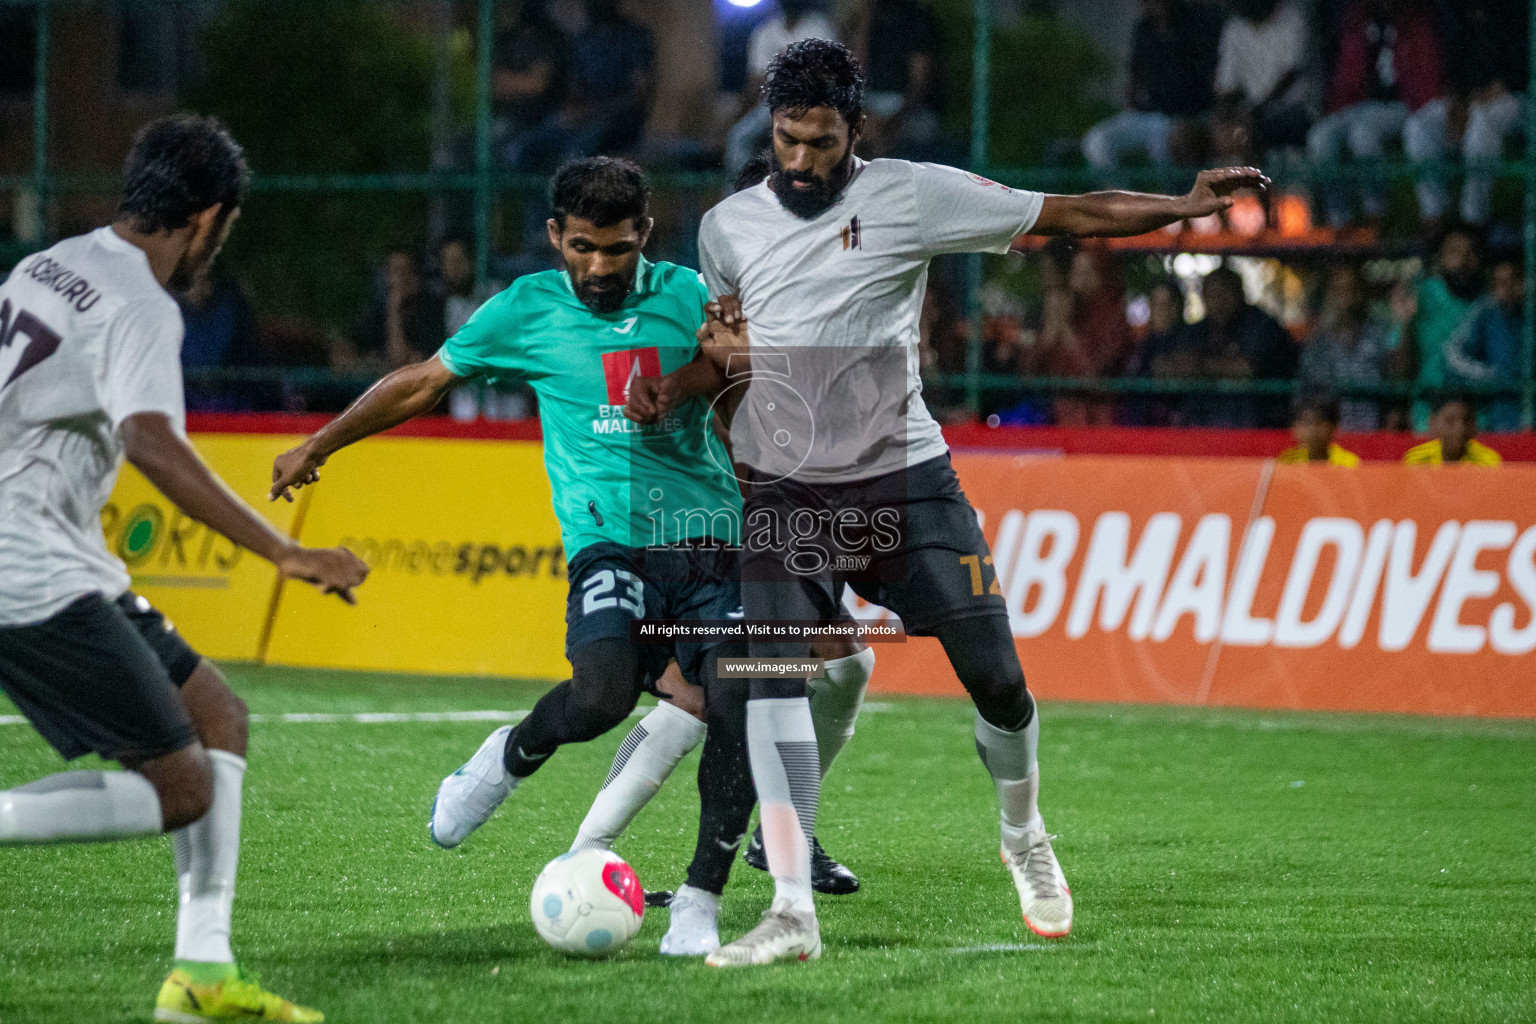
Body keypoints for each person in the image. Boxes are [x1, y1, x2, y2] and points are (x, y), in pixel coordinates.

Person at [649, 38, 1267, 965]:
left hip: (906, 481)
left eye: (821, 141)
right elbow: (732, 355)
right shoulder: (726, 227)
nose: (803, 161)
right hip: (789, 492)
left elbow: (1071, 214)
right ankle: (787, 909)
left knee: (1000, 681)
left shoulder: (910, 193)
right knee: (771, 679)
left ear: (856, 130)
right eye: (788, 140)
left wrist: (1179, 207)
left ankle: (1024, 835)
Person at [268, 158, 872, 957]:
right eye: (582, 247)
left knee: (740, 699)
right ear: (555, 236)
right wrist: (322, 442)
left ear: (645, 237)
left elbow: (760, 374)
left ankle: (698, 900)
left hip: (710, 542)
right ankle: (505, 760)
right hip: (608, 544)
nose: (597, 266)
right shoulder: (526, 308)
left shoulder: (691, 296)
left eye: (616, 250)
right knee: (600, 697)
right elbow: (421, 383)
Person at [0, 113, 369, 1024]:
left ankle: (201, 972)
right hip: (30, 571)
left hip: (57, 551)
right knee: (183, 786)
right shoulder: (138, 304)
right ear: (208, 220)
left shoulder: (45, 264)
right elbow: (153, 442)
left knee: (219, 718)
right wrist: (282, 549)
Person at [1307, 0, 1444, 226]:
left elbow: (1425, 77)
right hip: (1359, 106)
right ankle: (1339, 219)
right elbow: (1348, 76)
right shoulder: (1357, 21)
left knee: (1364, 133)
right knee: (1319, 137)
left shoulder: (1415, 20)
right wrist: (1335, 105)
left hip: (1402, 105)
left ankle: (1375, 213)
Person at [1408, 0, 1528, 226]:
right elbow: (1454, 71)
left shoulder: (1517, 10)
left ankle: (1473, 219)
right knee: (1420, 124)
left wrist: (1480, 100)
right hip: (1473, 99)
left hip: (1517, 99)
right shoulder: (1457, 13)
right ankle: (1434, 215)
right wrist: (1456, 102)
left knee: (1482, 122)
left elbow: (1518, 71)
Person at [1081, 0, 1221, 172]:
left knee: (1167, 146)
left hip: (1184, 116)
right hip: (1147, 115)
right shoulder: (1144, 29)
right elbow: (1135, 76)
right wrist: (1131, 103)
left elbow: (1209, 79)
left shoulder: (1196, 25)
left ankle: (1167, 197)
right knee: (1096, 140)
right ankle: (1120, 195)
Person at [725, 0, 840, 176]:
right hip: (772, 106)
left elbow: (827, 76)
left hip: (812, 105)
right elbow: (756, 81)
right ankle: (739, 194)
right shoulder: (766, 31)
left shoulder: (819, 28)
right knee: (739, 137)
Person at [1024, 243, 1133, 425]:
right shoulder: (1068, 308)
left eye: (1085, 273)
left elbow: (1095, 375)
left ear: (1101, 276)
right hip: (1058, 416)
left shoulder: (1113, 318)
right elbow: (1028, 376)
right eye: (1075, 272)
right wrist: (1049, 332)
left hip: (1099, 418)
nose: (1076, 281)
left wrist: (1067, 331)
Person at [1390, 224, 1484, 428]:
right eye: (1454, 252)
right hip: (1428, 419)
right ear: (1440, 258)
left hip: (1480, 420)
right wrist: (1405, 324)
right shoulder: (1421, 296)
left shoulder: (1489, 303)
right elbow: (1399, 371)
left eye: (1471, 252)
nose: (1463, 260)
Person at [1191, 266, 1298, 428]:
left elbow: (1246, 369)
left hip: (1260, 426)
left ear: (1240, 294)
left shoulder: (1263, 326)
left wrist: (1199, 365)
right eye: (1211, 296)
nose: (1218, 302)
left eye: (1224, 294)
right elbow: (1167, 365)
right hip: (1204, 428)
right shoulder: (1200, 329)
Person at [1210, 0, 1314, 163]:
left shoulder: (1293, 20)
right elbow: (1226, 85)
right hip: (1253, 111)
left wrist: (1252, 110)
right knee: (1215, 131)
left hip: (1294, 110)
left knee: (1245, 129)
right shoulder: (1234, 28)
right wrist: (1225, 116)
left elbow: (1289, 75)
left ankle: (1258, 185)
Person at [1296, 263, 1390, 431]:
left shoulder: (1380, 336)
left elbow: (1395, 384)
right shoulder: (1318, 344)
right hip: (1329, 439)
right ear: (1329, 296)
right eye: (1338, 291)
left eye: (1352, 290)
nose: (1347, 298)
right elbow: (1305, 397)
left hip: (1374, 434)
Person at [1443, 256, 1525, 432]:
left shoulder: (1528, 314)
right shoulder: (1484, 313)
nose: (1507, 289)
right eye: (1501, 282)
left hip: (1527, 413)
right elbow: (1453, 358)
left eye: (1513, 281)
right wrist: (1490, 376)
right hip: (1494, 415)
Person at [349, 246, 447, 371]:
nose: (400, 278)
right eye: (394, 271)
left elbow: (400, 361)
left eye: (404, 271)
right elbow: (352, 353)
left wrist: (394, 309)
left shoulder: (430, 312)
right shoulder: (379, 313)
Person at [1404, 394, 1502, 465]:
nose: (1460, 429)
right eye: (1450, 421)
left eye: (1466, 420)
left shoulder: (1488, 461)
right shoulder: (1416, 460)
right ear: (1433, 422)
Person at [1278, 394, 1360, 465]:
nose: (1312, 430)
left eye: (1318, 423)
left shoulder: (1350, 464)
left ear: (1333, 427)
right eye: (1306, 423)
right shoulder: (1285, 463)